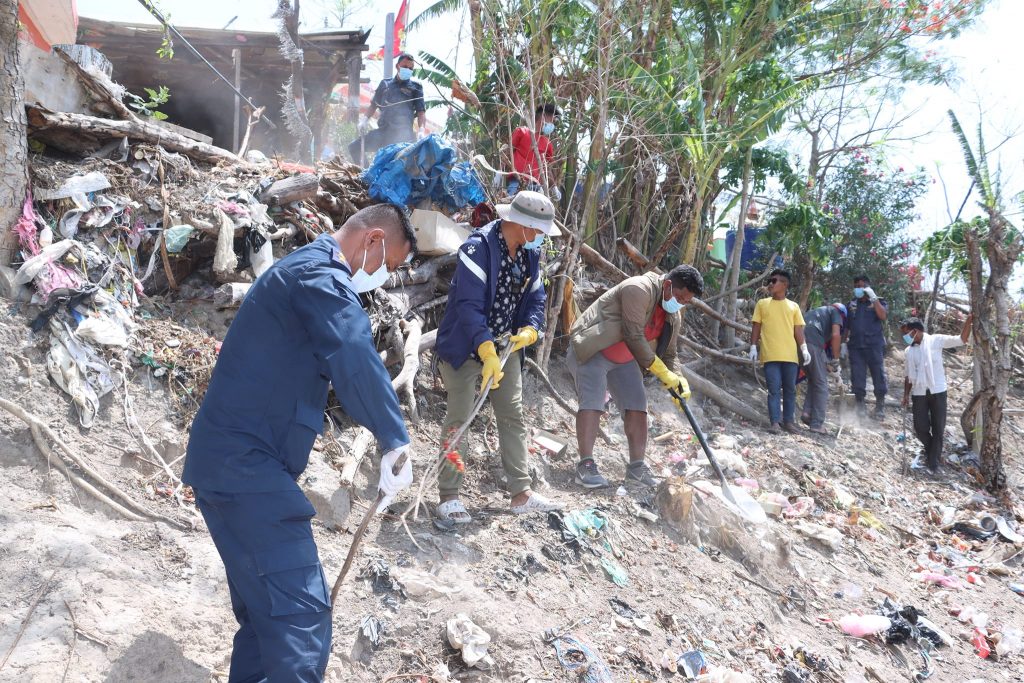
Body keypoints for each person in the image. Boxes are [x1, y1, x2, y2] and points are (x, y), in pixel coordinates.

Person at [182, 204, 417, 682]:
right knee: (301, 622)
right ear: (372, 240)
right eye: (387, 264)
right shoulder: (319, 276)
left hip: (233, 467)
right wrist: (393, 437)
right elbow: (352, 350)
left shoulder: (303, 273)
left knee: (267, 621)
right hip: (246, 470)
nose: (383, 276)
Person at [433, 191, 563, 523]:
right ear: (522, 225)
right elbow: (469, 307)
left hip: (506, 347)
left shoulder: (529, 255)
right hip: (465, 346)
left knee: (512, 416)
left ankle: (521, 493)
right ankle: (449, 496)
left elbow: (536, 301)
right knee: (459, 418)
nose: (541, 238)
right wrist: (485, 350)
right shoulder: (477, 249)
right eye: (538, 231)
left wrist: (531, 331)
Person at [568, 265, 704, 488]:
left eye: (686, 301)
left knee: (637, 406)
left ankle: (637, 468)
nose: (680, 303)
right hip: (594, 348)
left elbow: (670, 353)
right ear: (668, 285)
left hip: (624, 358)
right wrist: (661, 371)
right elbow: (633, 335)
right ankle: (585, 466)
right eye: (679, 297)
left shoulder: (673, 315)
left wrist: (679, 380)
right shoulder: (638, 288)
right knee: (593, 401)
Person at [900, 314, 972, 473]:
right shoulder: (908, 351)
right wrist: (906, 395)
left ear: (916, 331)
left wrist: (968, 321)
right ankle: (933, 450)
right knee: (920, 427)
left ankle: (933, 463)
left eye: (906, 333)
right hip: (919, 392)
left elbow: (961, 339)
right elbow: (908, 375)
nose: (904, 337)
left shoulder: (935, 341)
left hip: (938, 390)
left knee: (938, 427)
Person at [749, 269, 810, 434]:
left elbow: (798, 330)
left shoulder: (793, 306)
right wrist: (753, 346)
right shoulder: (762, 304)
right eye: (769, 280)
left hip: (790, 356)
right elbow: (756, 327)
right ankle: (775, 422)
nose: (770, 284)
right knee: (774, 389)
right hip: (770, 355)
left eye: (774, 281)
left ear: (785, 284)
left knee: (790, 389)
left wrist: (804, 348)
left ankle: (789, 422)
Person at [348, 53, 427, 165]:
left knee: (394, 166)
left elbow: (421, 112)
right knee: (354, 147)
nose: (407, 70)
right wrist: (365, 120)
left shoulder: (416, 87)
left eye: (410, 68)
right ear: (397, 66)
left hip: (403, 137)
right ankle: (367, 174)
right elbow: (373, 105)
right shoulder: (385, 84)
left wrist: (421, 130)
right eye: (404, 67)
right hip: (383, 133)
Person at [844, 275, 889, 420]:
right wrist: (844, 343)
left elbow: (882, 316)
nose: (858, 288)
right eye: (856, 286)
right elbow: (847, 326)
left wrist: (874, 298)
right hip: (856, 346)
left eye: (861, 286)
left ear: (868, 287)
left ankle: (880, 406)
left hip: (874, 345)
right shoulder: (851, 305)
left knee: (878, 374)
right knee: (857, 376)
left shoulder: (878, 301)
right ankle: (860, 406)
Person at [800, 303, 846, 433]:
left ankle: (807, 413)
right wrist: (836, 360)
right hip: (813, 345)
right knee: (821, 385)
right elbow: (836, 335)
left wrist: (830, 367)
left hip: (800, 345)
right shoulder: (836, 312)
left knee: (814, 381)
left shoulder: (816, 313)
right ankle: (817, 423)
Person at [509, 104, 560, 199]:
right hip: (516, 181)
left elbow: (546, 169)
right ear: (543, 117)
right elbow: (508, 154)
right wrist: (499, 174)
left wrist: (554, 187)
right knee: (512, 207)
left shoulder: (547, 143)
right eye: (551, 121)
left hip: (536, 186)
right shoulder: (521, 132)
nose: (552, 125)